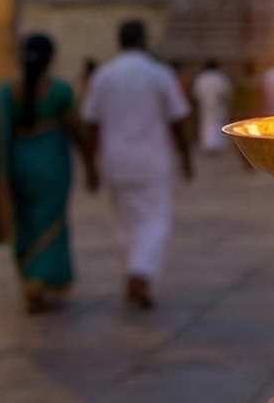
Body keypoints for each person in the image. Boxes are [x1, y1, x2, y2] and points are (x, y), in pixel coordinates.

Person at [80, 20, 193, 309]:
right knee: (155, 220)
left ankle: (133, 269)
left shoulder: (103, 76)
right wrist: (186, 156)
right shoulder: (160, 74)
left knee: (125, 222)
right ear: (144, 40)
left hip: (115, 160)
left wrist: (90, 165)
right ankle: (140, 274)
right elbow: (177, 119)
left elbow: (91, 124)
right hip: (152, 161)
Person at [0, 33, 93, 314]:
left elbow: (0, 136)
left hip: (18, 164)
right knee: (51, 221)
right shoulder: (60, 91)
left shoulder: (4, 92)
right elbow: (75, 130)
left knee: (24, 220)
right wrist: (90, 164)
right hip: (52, 163)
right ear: (51, 58)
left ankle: (29, 279)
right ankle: (40, 278)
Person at [192, 60, 233, 153]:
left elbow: (196, 93)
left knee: (206, 124)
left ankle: (207, 145)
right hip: (218, 106)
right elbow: (227, 92)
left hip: (205, 106)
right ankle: (218, 145)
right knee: (218, 124)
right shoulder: (220, 77)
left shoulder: (201, 78)